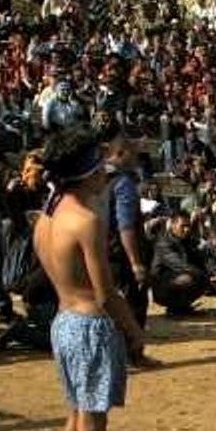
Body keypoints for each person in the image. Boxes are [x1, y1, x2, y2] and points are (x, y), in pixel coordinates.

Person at [33, 126, 147, 431]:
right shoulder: (87, 221)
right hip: (90, 329)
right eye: (100, 167)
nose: (105, 173)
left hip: (63, 323)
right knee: (92, 429)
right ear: (85, 172)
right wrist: (133, 330)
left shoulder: (46, 218)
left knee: (76, 417)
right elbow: (105, 293)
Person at [95, 119, 152, 338]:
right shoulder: (123, 183)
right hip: (121, 255)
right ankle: (134, 352)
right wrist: (136, 263)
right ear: (120, 153)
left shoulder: (96, 180)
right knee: (133, 305)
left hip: (102, 252)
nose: (136, 159)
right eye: (132, 154)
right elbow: (126, 226)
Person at [151, 210, 216, 315]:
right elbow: (180, 265)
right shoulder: (163, 243)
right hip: (162, 287)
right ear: (173, 224)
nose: (186, 229)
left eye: (188, 226)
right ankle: (174, 307)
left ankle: (182, 307)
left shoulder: (188, 239)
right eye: (183, 226)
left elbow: (203, 256)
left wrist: (215, 271)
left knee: (201, 272)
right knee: (188, 279)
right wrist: (208, 277)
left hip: (181, 275)